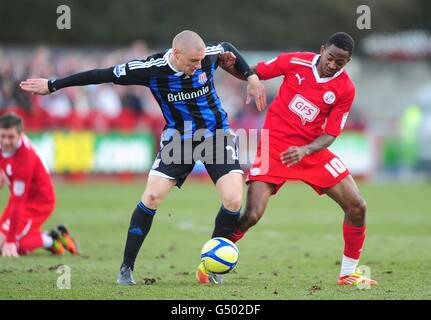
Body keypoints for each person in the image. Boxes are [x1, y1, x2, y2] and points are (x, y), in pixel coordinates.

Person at [20, 30, 266, 285]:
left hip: (216, 135)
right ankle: (126, 268)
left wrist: (251, 77)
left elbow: (228, 48)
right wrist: (53, 85)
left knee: (234, 200)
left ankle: (210, 266)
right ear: (177, 54)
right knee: (151, 197)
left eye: (200, 61)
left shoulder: (208, 56)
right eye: (193, 62)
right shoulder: (150, 69)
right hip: (179, 140)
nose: (198, 66)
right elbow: (101, 74)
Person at [224, 32, 377, 286]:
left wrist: (306, 150)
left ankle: (348, 273)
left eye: (340, 62)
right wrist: (228, 65)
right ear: (322, 50)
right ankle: (213, 258)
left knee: (357, 206)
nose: (332, 66)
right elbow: (252, 71)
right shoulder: (295, 62)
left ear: (347, 62)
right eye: (330, 58)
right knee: (251, 214)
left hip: (311, 151)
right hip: (274, 149)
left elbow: (330, 134)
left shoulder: (346, 88)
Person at [0, 113, 79, 257]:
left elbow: (19, 202)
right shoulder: (5, 145)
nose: (5, 141)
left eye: (10, 137)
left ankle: (51, 239)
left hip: (37, 203)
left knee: (10, 245)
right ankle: (48, 237)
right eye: (2, 136)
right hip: (19, 198)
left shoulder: (25, 157)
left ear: (20, 134)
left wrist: (10, 241)